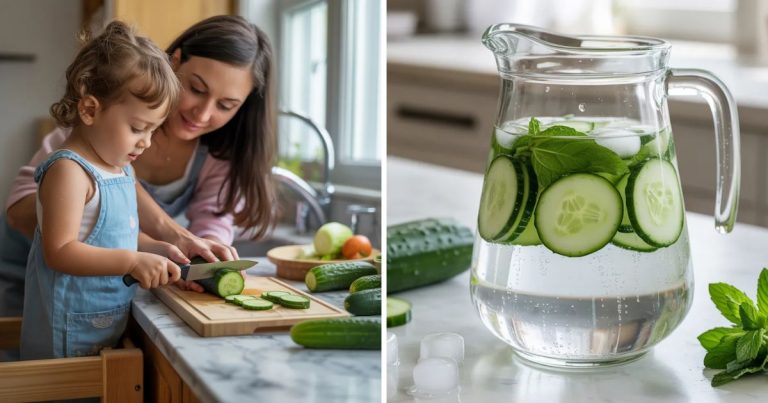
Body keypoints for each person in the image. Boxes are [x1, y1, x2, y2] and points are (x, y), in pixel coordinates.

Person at [1, 15, 278, 314]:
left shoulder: (219, 155)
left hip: (96, 298)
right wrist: (164, 233)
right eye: (196, 89)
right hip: (29, 283)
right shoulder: (98, 128)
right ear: (174, 63)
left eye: (226, 105)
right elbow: (21, 212)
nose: (203, 113)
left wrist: (200, 263)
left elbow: (211, 223)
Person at [20, 21, 183, 359]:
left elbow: (114, 234)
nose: (147, 142)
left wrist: (157, 249)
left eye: (153, 130)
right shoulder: (69, 170)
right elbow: (61, 250)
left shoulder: (120, 168)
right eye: (138, 128)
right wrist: (133, 261)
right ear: (90, 109)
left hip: (103, 325)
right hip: (66, 336)